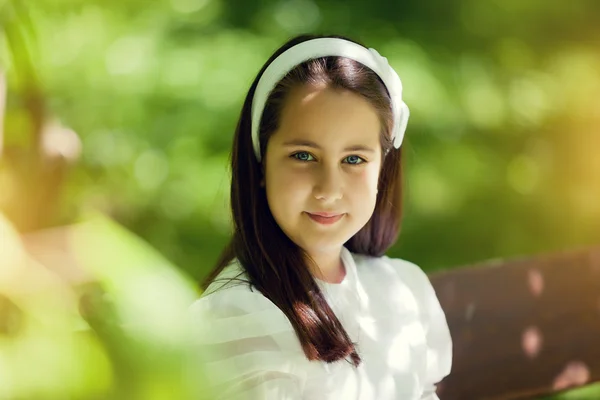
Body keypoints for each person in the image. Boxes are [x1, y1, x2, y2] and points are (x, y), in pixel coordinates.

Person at [187, 33, 453, 400]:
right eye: (303, 156)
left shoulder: (402, 289)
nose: (329, 190)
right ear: (261, 163)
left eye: (354, 159)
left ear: (382, 170)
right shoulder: (237, 318)